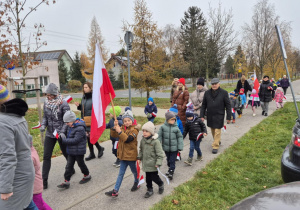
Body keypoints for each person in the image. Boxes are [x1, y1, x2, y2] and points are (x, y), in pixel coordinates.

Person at [0, 86, 36, 210]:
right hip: (23, 171)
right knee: (27, 205)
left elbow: (7, 156)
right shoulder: (15, 114)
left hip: (15, 177)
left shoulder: (2, 122)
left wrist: (5, 188)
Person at [39, 83, 70, 189]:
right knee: (46, 156)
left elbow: (67, 120)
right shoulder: (46, 103)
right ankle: (44, 180)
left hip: (61, 133)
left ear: (55, 94)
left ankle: (71, 168)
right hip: (50, 133)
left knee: (66, 153)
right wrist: (43, 125)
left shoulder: (63, 104)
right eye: (47, 95)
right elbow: (45, 117)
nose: (48, 97)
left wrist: (62, 132)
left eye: (49, 95)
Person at [105, 110, 140, 197]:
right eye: (125, 121)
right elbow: (114, 135)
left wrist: (120, 132)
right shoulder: (122, 128)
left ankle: (137, 182)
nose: (127, 122)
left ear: (132, 121)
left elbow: (128, 139)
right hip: (123, 156)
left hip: (131, 156)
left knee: (134, 171)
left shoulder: (135, 130)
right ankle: (115, 190)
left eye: (129, 120)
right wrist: (114, 127)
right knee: (121, 174)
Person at [57, 111, 91, 189]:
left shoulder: (80, 128)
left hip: (79, 151)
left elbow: (75, 140)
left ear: (73, 120)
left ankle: (87, 175)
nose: (66, 124)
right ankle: (66, 181)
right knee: (69, 166)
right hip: (71, 150)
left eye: (67, 122)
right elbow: (64, 129)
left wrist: (64, 141)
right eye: (65, 122)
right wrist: (61, 134)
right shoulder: (69, 125)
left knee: (81, 164)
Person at [200, 78, 231, 154]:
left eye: (215, 84)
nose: (214, 85)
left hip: (219, 115)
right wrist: (202, 115)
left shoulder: (224, 93)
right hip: (210, 114)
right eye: (213, 84)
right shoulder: (207, 93)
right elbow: (204, 105)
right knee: (213, 130)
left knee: (217, 130)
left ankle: (215, 146)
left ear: (219, 84)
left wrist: (228, 117)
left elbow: (228, 106)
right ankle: (217, 140)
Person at [75, 82, 104, 161]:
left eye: (86, 87)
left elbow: (98, 109)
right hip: (85, 120)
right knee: (88, 136)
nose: (85, 89)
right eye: (84, 87)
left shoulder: (94, 97)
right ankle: (94, 152)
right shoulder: (84, 97)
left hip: (92, 120)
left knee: (91, 136)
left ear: (90, 88)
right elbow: (84, 109)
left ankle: (98, 149)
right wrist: (79, 106)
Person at [137, 121, 165, 198]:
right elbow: (141, 150)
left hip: (154, 164)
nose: (144, 133)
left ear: (151, 132)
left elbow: (160, 154)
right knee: (148, 178)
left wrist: (158, 163)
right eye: (143, 131)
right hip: (146, 163)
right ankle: (150, 189)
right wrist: (139, 158)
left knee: (154, 177)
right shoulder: (143, 140)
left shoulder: (156, 142)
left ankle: (160, 184)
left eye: (146, 131)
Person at [158, 112, 183, 180]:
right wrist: (157, 144)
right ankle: (170, 168)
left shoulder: (176, 128)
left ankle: (171, 171)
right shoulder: (163, 127)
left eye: (174, 119)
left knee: (172, 160)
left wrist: (180, 146)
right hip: (166, 148)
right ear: (167, 120)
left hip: (174, 148)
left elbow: (180, 137)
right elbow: (159, 136)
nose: (173, 121)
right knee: (168, 160)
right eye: (172, 119)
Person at [31, 139, 52, 210]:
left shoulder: (30, 156)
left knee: (39, 205)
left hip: (34, 187)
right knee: (40, 204)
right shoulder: (30, 151)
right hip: (33, 187)